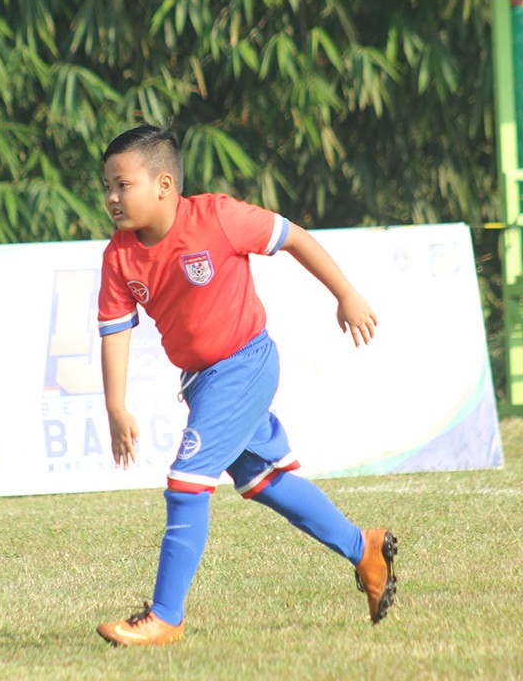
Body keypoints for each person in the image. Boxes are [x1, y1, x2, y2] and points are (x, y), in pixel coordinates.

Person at [94, 124, 398, 647]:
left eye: (123, 185)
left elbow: (295, 237)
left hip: (245, 364)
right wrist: (116, 406)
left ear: (164, 184)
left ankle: (165, 617)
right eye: (107, 187)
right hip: (201, 381)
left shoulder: (217, 217)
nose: (112, 198)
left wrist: (345, 293)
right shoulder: (118, 256)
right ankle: (364, 548)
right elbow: (115, 330)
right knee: (264, 482)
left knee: (187, 483)